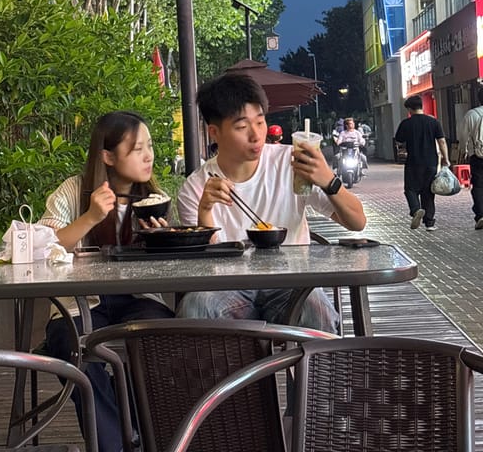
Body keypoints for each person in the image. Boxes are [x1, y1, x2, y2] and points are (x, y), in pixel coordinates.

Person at [176, 72, 366, 333]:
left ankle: (317, 375)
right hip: (230, 289)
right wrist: (205, 210)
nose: (256, 135)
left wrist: (328, 180)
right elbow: (207, 269)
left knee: (316, 309)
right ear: (214, 133)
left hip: (291, 284)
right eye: (242, 127)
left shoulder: (292, 163)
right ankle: (241, 375)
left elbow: (357, 222)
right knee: (196, 307)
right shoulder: (196, 188)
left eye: (261, 121)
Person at [39, 111, 174, 452]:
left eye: (150, 146)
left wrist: (166, 240)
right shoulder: (74, 190)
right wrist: (90, 217)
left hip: (140, 299)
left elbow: (182, 260)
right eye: (137, 148)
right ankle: (119, 443)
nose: (149, 156)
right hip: (82, 301)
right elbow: (44, 247)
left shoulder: (156, 198)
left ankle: (133, 429)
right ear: (108, 157)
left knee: (159, 339)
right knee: (70, 344)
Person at [394, 95, 449, 232]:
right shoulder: (433, 122)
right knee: (428, 191)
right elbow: (441, 141)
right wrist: (445, 159)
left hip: (413, 162)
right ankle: (429, 223)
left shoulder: (406, 123)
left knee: (411, 189)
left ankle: (416, 209)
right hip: (431, 162)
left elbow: (399, 140)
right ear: (421, 106)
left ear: (409, 109)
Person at [457, 86, 483, 230]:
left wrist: (463, 151)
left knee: (478, 186)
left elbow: (463, 137)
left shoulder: (471, 115)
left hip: (478, 156)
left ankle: (480, 215)